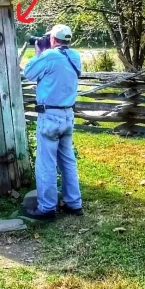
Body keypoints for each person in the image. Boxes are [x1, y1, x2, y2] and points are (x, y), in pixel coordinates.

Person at [22, 24, 83, 221]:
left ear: (53, 39)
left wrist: (40, 51)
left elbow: (28, 72)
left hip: (49, 117)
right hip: (67, 115)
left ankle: (47, 208)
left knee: (46, 163)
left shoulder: (49, 56)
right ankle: (74, 203)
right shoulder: (75, 56)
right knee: (67, 161)